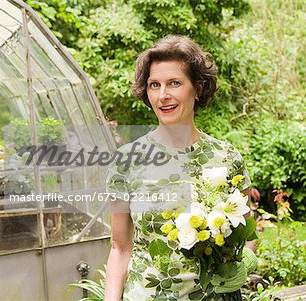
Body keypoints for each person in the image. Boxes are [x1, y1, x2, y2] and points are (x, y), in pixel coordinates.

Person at [104, 35, 252, 301]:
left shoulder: (227, 157)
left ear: (197, 88)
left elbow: (246, 232)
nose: (163, 95)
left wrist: (244, 262)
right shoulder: (126, 161)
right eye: (154, 85)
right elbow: (120, 247)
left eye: (174, 83)